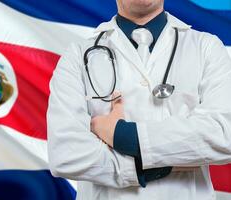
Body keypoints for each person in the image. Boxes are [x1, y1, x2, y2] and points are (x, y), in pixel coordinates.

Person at [46, 0, 231, 199]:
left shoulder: (207, 48)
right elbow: (65, 155)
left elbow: (224, 134)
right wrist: (150, 167)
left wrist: (120, 135)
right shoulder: (77, 56)